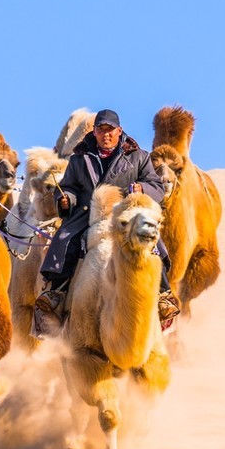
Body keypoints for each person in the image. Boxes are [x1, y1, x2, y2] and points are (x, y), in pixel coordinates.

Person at [34, 108, 181, 334]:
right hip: (87, 213)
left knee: (152, 244)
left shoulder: (138, 157)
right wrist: (66, 200)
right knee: (65, 240)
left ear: (119, 131)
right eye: (101, 130)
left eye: (110, 130)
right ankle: (56, 293)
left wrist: (143, 188)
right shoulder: (79, 158)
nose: (106, 135)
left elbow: (157, 186)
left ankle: (163, 295)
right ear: (94, 132)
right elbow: (70, 187)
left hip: (125, 213)